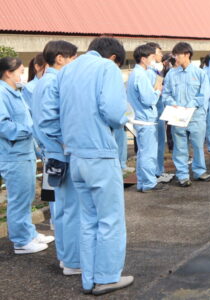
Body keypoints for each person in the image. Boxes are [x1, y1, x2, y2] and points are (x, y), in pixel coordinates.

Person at [56, 37, 133, 294]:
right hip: (99, 153)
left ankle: (89, 279)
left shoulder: (67, 70)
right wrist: (126, 118)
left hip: (75, 155)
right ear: (113, 57)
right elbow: (112, 111)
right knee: (110, 219)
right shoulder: (107, 68)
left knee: (88, 220)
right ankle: (108, 277)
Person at [33, 40, 82, 275]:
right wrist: (70, 142)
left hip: (52, 153)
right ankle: (73, 261)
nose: (74, 62)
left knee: (60, 208)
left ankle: (66, 257)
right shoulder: (55, 81)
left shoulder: (45, 81)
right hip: (60, 153)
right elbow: (50, 121)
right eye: (72, 58)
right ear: (60, 58)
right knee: (70, 208)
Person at [0, 56, 55, 255]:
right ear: (8, 72)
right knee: (19, 198)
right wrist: (29, 129)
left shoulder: (15, 92)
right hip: (13, 155)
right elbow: (3, 125)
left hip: (23, 152)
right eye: (20, 71)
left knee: (26, 196)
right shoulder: (2, 92)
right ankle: (21, 241)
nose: (23, 75)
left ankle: (28, 232)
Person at [162, 42, 210, 187]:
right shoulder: (171, 74)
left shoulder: (200, 73)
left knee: (197, 146)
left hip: (196, 117)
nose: (175, 58)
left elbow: (204, 95)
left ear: (187, 55)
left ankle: (199, 171)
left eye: (177, 55)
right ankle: (182, 175)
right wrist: (172, 103)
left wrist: (188, 106)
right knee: (180, 147)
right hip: (177, 117)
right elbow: (166, 94)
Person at [127, 44, 167, 192]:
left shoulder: (136, 73)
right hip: (145, 119)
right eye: (151, 57)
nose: (153, 59)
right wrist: (157, 90)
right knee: (148, 153)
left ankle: (143, 182)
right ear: (143, 59)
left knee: (143, 152)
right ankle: (149, 183)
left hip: (140, 118)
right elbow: (149, 100)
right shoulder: (141, 75)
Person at [144, 42, 171, 181]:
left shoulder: (156, 70)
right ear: (152, 55)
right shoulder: (150, 72)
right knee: (157, 143)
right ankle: (157, 172)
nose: (161, 55)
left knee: (160, 142)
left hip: (159, 110)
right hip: (155, 111)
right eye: (159, 52)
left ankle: (158, 170)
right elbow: (154, 93)